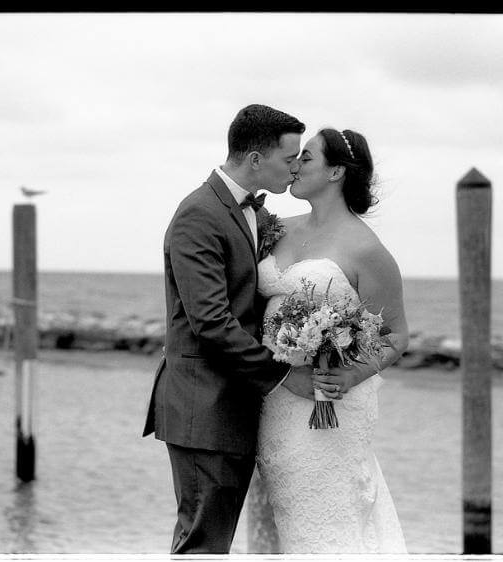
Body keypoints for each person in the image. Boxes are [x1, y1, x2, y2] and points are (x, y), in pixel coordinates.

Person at [142, 104, 315, 554]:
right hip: (205, 406)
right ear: (256, 159)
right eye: (289, 157)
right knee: (202, 545)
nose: (296, 167)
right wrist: (281, 374)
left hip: (230, 406)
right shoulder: (199, 214)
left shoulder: (250, 212)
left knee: (212, 543)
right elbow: (212, 323)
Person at [255, 127, 409, 553]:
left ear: (336, 171)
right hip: (275, 398)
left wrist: (352, 375)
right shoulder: (276, 228)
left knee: (326, 521)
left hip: (330, 408)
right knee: (283, 519)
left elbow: (395, 334)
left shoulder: (366, 248)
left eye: (307, 157)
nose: (295, 165)